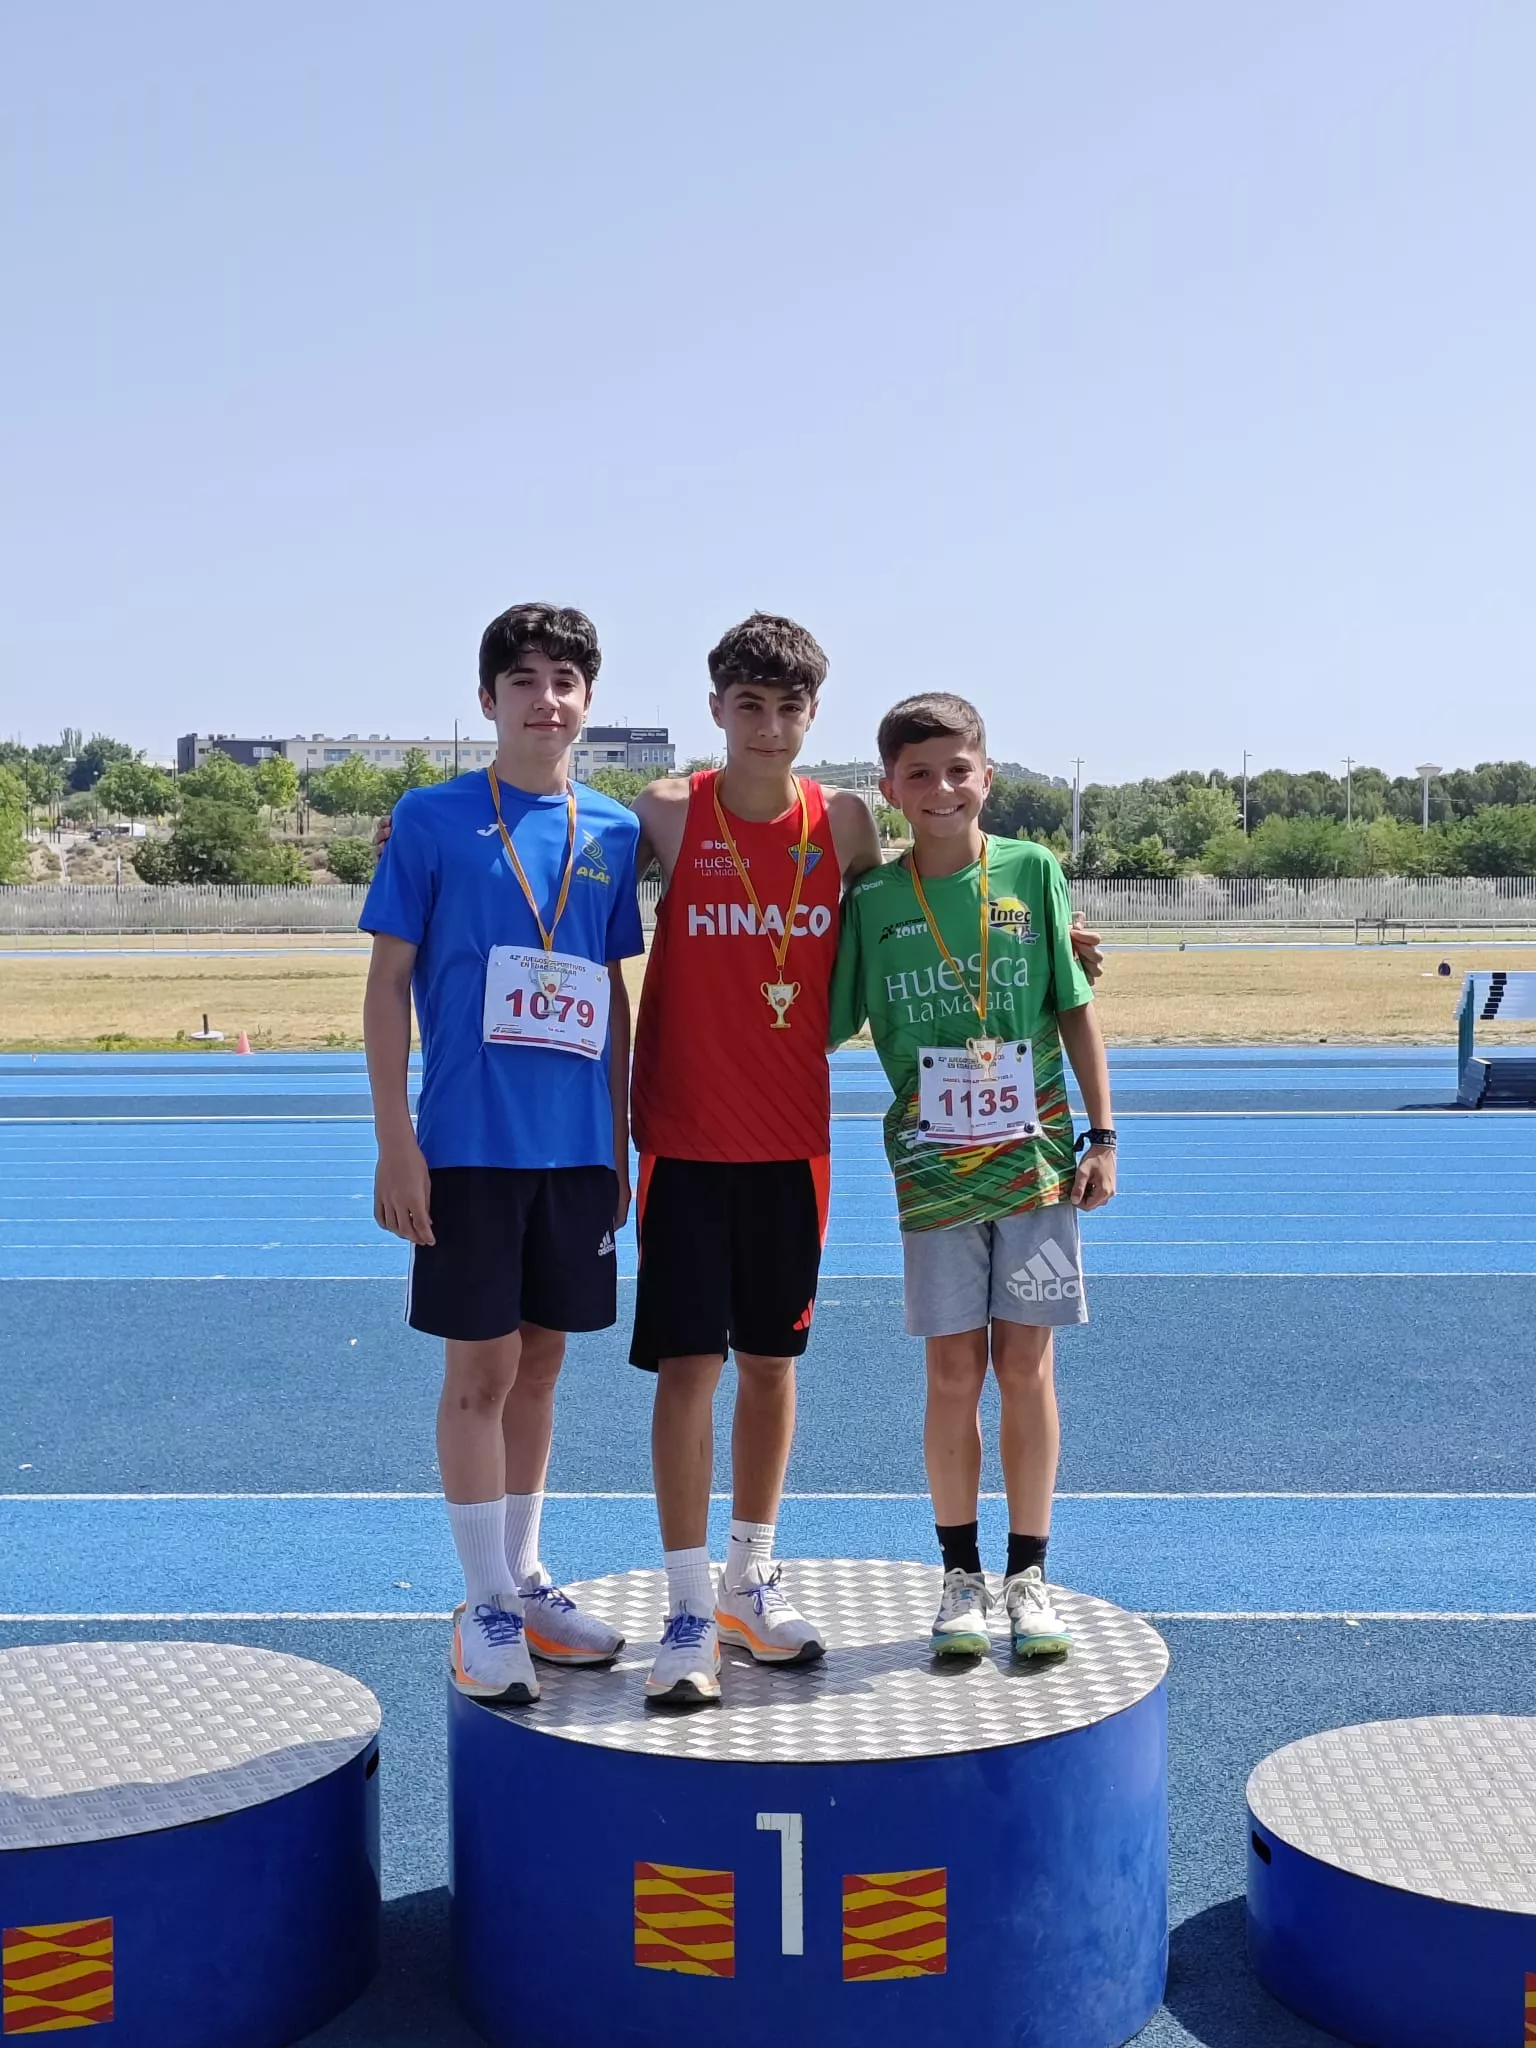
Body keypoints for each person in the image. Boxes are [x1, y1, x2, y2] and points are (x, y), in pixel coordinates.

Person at [360, 602, 643, 1706]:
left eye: (566, 677)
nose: (546, 696)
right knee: (478, 1372)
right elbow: (387, 986)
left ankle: (523, 1576)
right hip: (469, 1145)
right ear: (489, 699)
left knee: (543, 1366)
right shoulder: (430, 820)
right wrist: (396, 1141)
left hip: (574, 1152)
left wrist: (617, 1143)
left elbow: (612, 995)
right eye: (522, 678)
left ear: (588, 700)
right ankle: (480, 1601)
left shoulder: (611, 829)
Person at [827, 691, 1117, 1663]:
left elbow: (1073, 1009)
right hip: (932, 1170)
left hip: (1035, 1164)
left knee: (1025, 1366)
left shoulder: (1034, 872)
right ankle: (960, 1573)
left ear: (987, 775)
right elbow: (823, 1017)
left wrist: (1104, 1134)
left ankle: (1030, 1572)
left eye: (960, 768)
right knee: (952, 1370)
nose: (943, 787)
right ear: (890, 788)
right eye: (920, 773)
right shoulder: (871, 900)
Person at [626, 614, 884, 1703]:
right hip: (683, 1136)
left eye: (789, 707)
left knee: (774, 1367)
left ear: (813, 714)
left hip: (793, 1141)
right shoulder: (669, 811)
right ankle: (688, 1603)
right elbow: (551, 851)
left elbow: (931, 904)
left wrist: (1062, 940)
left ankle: (747, 1575)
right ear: (717, 708)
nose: (769, 727)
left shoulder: (852, 821)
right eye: (749, 704)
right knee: (690, 1367)